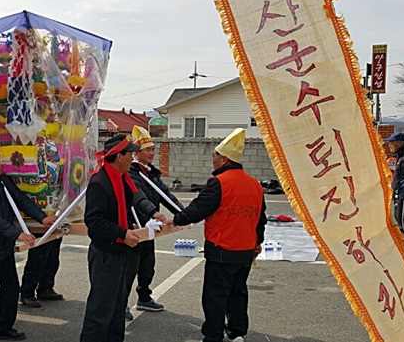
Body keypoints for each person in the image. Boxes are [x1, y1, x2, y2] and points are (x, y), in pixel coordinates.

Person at [164, 128, 267, 342]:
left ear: (224, 159)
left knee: (215, 296)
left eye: (214, 155)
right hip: (246, 250)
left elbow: (199, 208)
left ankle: (213, 336)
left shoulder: (219, 183)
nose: (212, 159)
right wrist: (258, 242)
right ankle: (237, 332)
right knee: (238, 293)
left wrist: (176, 219)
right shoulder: (255, 184)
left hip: (222, 249)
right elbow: (260, 219)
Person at [0, 146, 57, 342]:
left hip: (4, 249)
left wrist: (42, 218)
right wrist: (18, 234)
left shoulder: (3, 182)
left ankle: (3, 328)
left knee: (10, 290)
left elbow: (21, 200)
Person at [80, 134, 142, 342]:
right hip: (106, 253)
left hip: (121, 251)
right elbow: (94, 221)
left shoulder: (124, 179)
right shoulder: (101, 182)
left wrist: (153, 215)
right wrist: (122, 233)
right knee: (100, 310)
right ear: (118, 156)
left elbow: (136, 200)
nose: (133, 157)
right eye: (130, 153)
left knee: (116, 309)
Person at [124, 126, 183, 321]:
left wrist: (184, 213)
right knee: (129, 268)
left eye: (153, 149)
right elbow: (138, 198)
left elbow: (166, 196)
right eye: (148, 150)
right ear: (137, 152)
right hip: (135, 227)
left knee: (148, 265)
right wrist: (154, 213)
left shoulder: (152, 174)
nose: (152, 153)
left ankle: (144, 297)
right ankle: (121, 302)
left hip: (151, 229)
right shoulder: (131, 174)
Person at [20, 236, 64, 308]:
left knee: (52, 260)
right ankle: (27, 293)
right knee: (37, 261)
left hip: (54, 228)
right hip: (41, 230)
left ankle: (45, 289)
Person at [385, 132, 404, 236]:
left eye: (391, 143)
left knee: (403, 221)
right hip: (400, 193)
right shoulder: (400, 157)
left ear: (400, 143)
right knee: (399, 220)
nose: (389, 146)